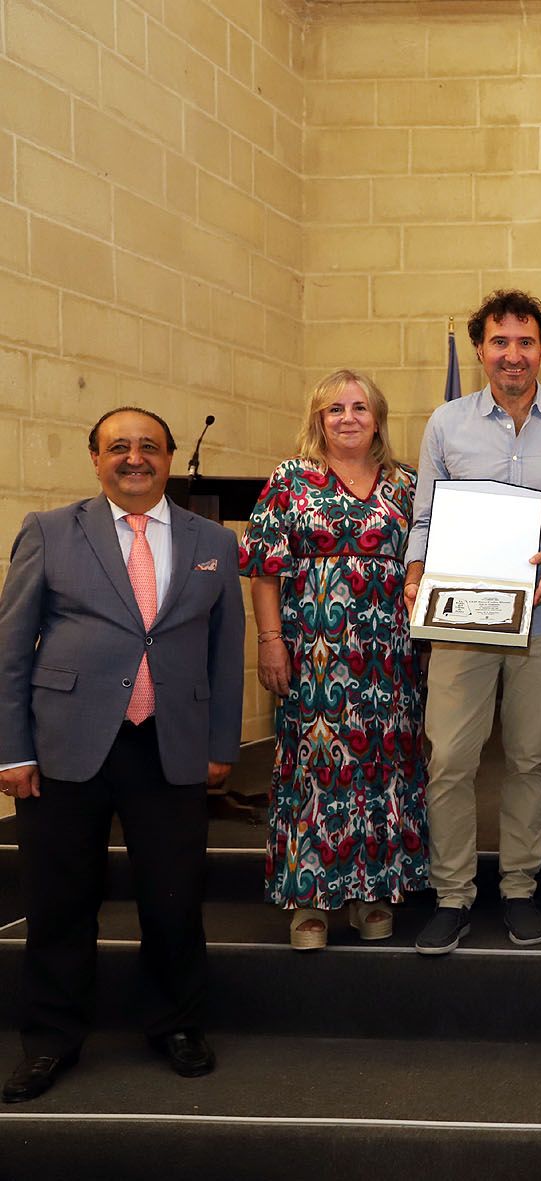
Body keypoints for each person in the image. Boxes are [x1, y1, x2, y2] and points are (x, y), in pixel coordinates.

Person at [0, 407, 244, 1103]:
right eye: (118, 447)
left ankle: (176, 1024)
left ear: (169, 458)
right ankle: (50, 1039)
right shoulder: (49, 530)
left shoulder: (211, 541)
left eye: (148, 447)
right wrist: (10, 748)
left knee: (175, 899)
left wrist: (221, 743)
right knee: (58, 903)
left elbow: (225, 650)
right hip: (63, 747)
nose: (134, 458)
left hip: (168, 746)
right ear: (94, 458)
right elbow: (11, 648)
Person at [405, 288, 541, 955]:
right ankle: (452, 893)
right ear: (480, 349)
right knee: (450, 758)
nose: (513, 355)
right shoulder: (445, 424)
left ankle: (520, 887)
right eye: (500, 342)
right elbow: (424, 520)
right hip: (462, 617)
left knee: (529, 757)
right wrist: (415, 572)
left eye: (525, 342)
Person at [241, 370, 428, 950]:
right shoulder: (291, 480)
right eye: (334, 409)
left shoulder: (406, 484)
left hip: (390, 657)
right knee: (314, 770)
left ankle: (374, 891)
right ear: (318, 419)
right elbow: (265, 568)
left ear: (378, 418)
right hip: (315, 654)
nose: (347, 418)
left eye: (359, 407)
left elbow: (426, 560)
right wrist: (270, 642)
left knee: (384, 767)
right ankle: (310, 899)